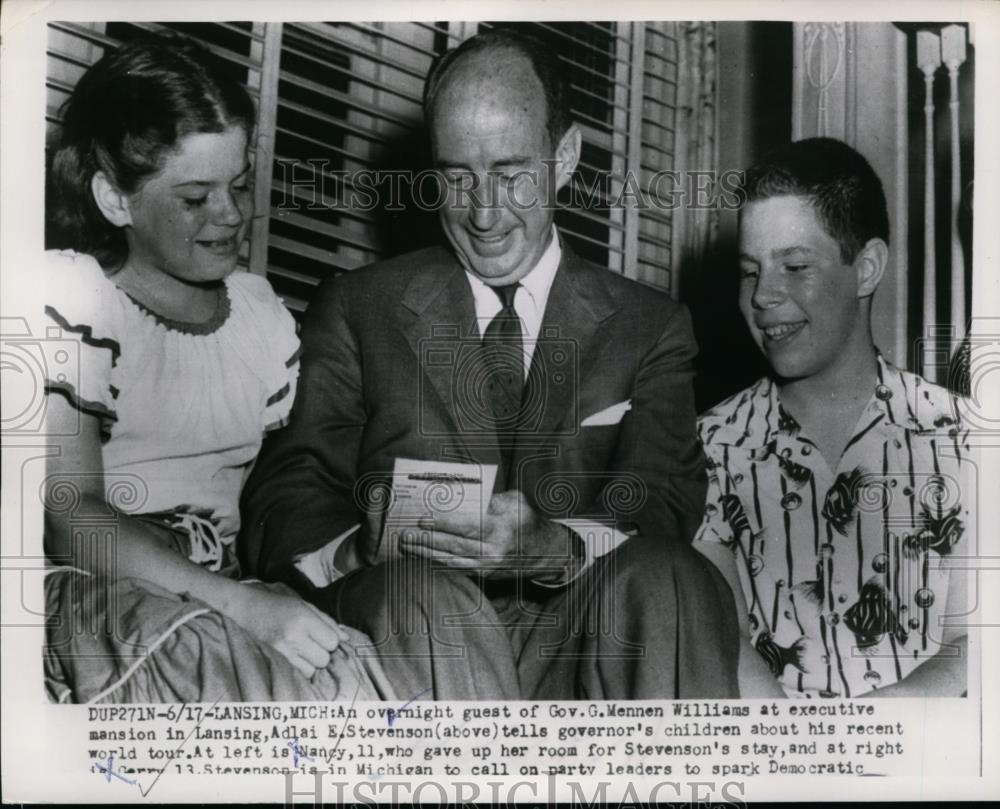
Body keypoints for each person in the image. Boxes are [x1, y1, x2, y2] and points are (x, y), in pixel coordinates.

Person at [240, 28, 739, 700]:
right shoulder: (359, 307)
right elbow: (283, 503)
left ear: (564, 157)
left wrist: (557, 546)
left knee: (675, 578)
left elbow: (663, 502)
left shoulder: (650, 326)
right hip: (416, 633)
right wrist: (360, 545)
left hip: (578, 637)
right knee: (426, 600)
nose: (483, 213)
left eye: (508, 174)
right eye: (455, 177)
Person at [42, 33, 393, 703]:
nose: (230, 215)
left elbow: (288, 497)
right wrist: (245, 606)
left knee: (353, 672)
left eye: (237, 184)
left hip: (218, 588)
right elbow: (71, 516)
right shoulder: (73, 299)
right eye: (195, 198)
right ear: (116, 200)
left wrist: (355, 542)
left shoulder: (262, 319)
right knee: (210, 653)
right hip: (92, 590)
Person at [694, 138, 970, 698]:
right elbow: (725, 648)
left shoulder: (966, 440)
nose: (764, 296)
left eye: (795, 266)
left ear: (865, 269)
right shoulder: (708, 448)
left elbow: (971, 654)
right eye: (750, 272)